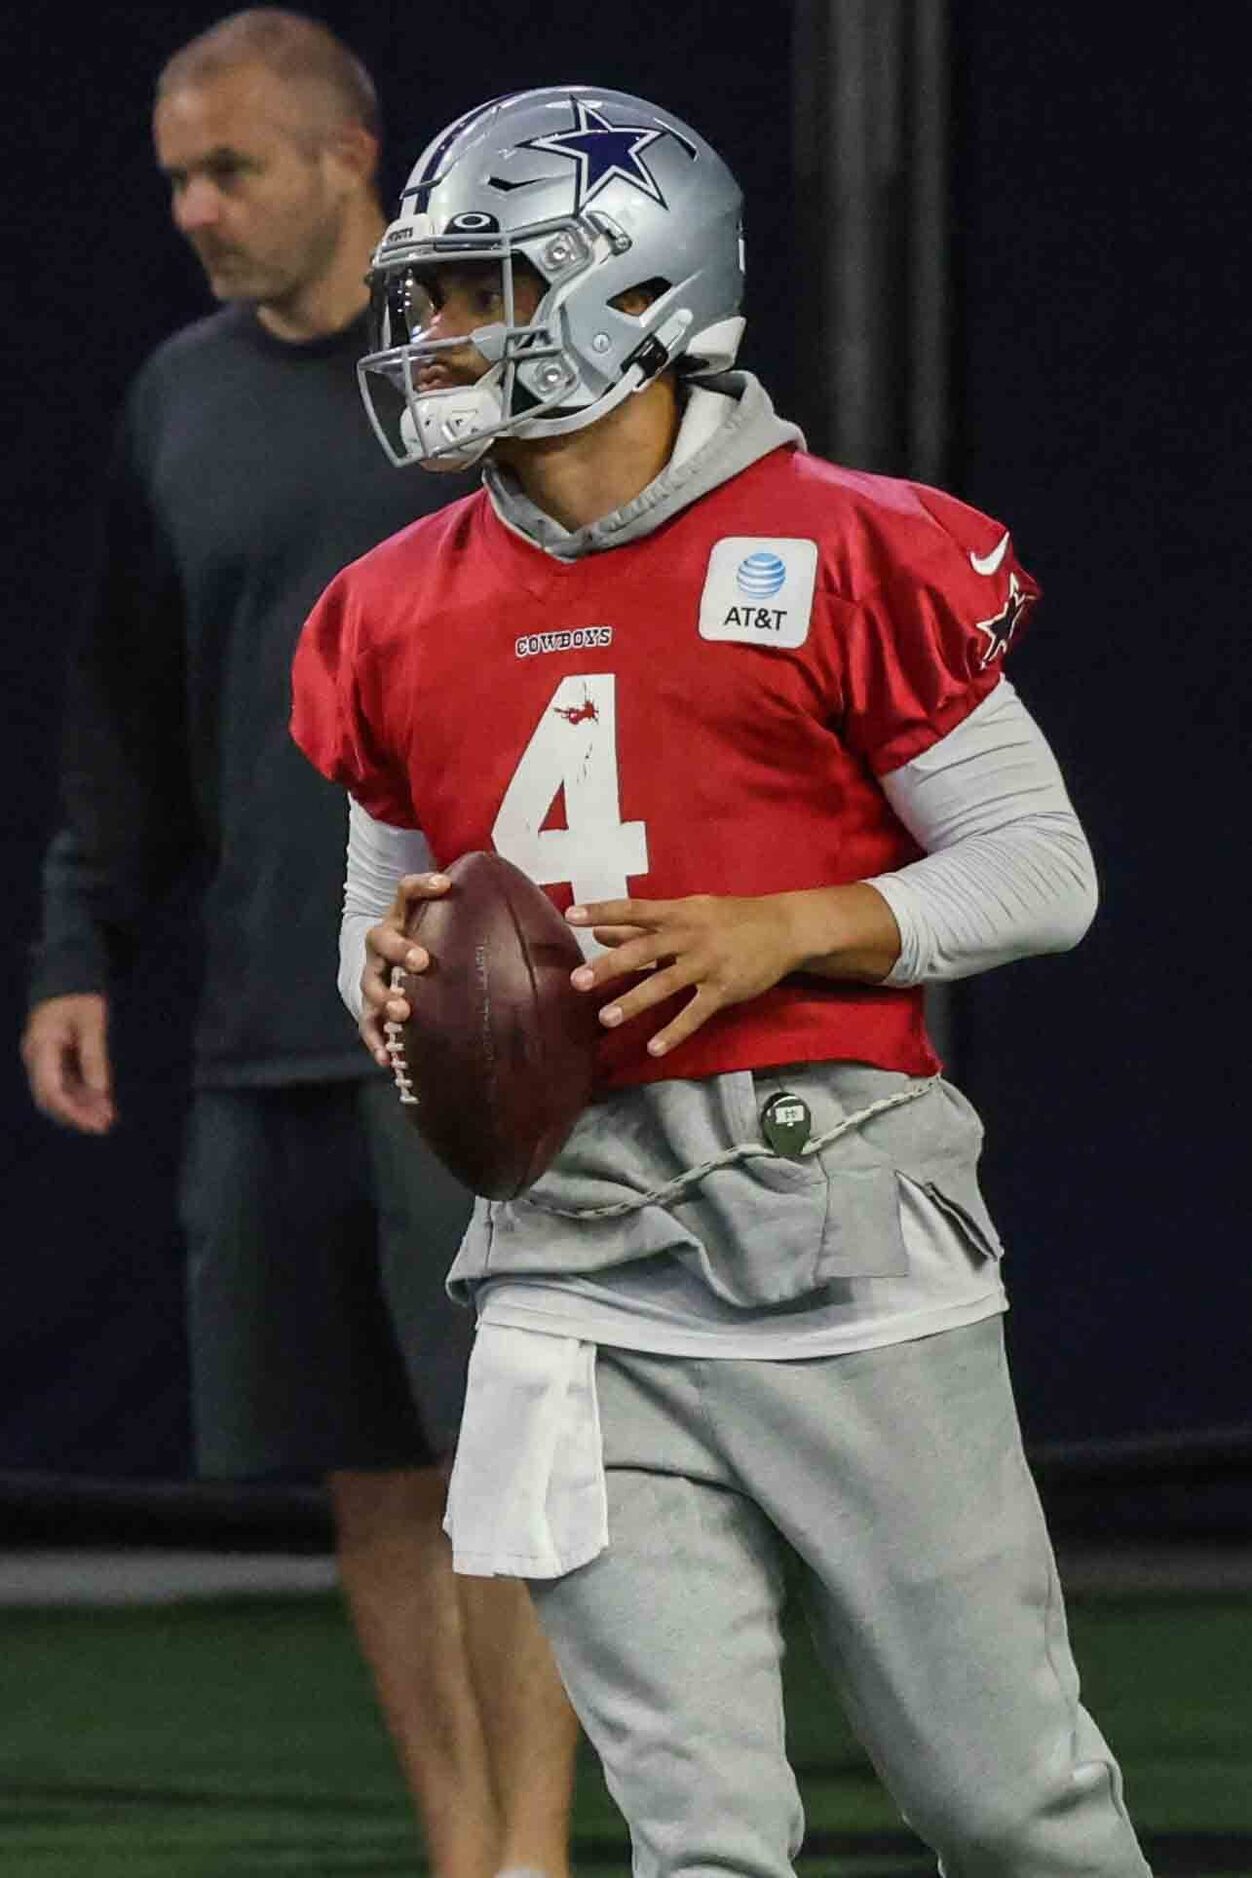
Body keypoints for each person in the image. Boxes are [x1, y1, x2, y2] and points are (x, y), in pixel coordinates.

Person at [291, 84, 1152, 1877]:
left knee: (1012, 1808)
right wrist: (391, 982)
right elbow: (380, 933)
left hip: (835, 1222)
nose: (434, 338)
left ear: (629, 292)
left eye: (481, 290)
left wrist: (794, 923)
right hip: (570, 1256)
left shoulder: (844, 542)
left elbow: (1044, 871)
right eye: (430, 297)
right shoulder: (388, 606)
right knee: (698, 1835)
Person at [21, 21, 578, 1878]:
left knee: (516, 1459)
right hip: (268, 1020)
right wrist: (77, 941)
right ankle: (457, 1854)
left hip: (491, 1029)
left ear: (354, 158)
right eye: (175, 176)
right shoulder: (175, 399)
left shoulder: (490, 373)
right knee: (371, 1478)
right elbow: (125, 697)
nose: (193, 211)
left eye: (230, 170)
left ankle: (536, 1855)